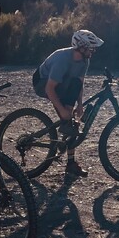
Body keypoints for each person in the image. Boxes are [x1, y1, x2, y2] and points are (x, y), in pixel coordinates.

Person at [32, 29, 104, 178]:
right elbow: (49, 88)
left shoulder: (84, 60)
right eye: (91, 48)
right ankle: (66, 122)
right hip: (42, 82)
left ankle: (70, 163)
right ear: (81, 47)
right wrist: (63, 110)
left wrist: (80, 105)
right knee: (67, 117)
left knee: (72, 123)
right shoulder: (62, 59)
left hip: (62, 82)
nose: (94, 51)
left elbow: (79, 83)